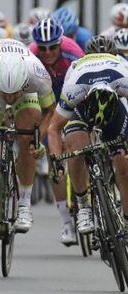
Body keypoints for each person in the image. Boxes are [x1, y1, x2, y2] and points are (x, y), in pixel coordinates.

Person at [0, 39, 55, 241]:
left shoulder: (38, 75)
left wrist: (38, 139)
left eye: (13, 93)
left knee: (29, 138)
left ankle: (25, 204)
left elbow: (50, 112)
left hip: (27, 95)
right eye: (6, 93)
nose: (9, 98)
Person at [48, 53, 128, 234]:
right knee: (76, 150)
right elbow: (53, 129)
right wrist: (56, 160)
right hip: (81, 108)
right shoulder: (74, 90)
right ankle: (83, 205)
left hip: (114, 106)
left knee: (124, 166)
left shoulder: (124, 80)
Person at [30, 17, 85, 245]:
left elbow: (86, 83)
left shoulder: (73, 52)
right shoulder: (31, 56)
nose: (48, 52)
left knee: (78, 146)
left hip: (72, 94)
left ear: (61, 42)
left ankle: (86, 204)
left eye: (53, 47)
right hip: (47, 97)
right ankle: (66, 223)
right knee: (55, 159)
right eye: (43, 48)